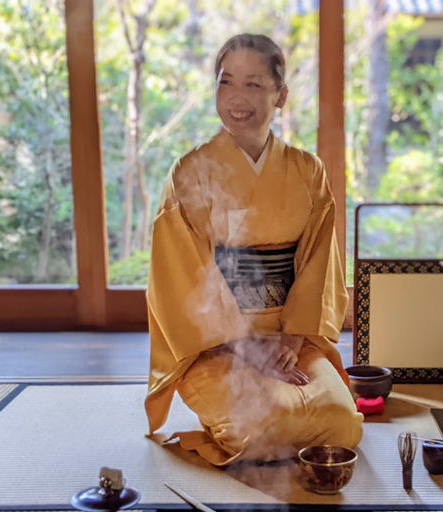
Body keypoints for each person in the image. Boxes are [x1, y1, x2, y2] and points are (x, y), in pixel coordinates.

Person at [145, 33, 363, 466]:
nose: (236, 98)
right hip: (218, 343)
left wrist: (294, 334)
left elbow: (321, 260)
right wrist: (246, 346)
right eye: (226, 82)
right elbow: (179, 274)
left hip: (289, 336)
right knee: (260, 428)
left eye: (253, 84)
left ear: (280, 96)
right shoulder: (190, 171)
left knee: (343, 424)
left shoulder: (307, 171)